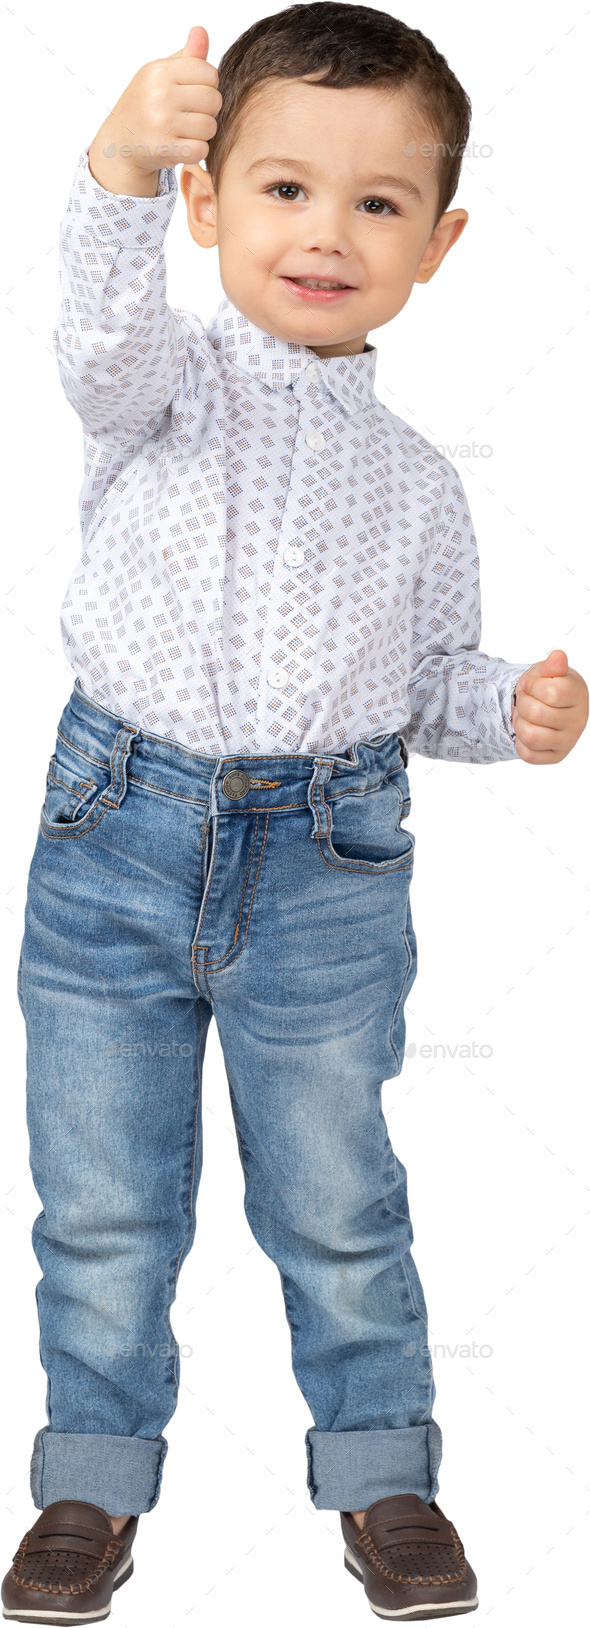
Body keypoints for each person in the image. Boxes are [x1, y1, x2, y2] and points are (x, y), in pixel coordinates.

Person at [3, 6, 587, 1622]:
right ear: (208, 205)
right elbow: (96, 329)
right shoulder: (160, 392)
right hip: (114, 836)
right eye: (280, 190)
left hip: (326, 865)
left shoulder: (417, 479)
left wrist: (514, 709)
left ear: (436, 241)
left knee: (335, 1193)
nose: (325, 233)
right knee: (106, 1196)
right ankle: (88, 1486)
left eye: (376, 204)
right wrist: (122, 160)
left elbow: (426, 684)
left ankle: (384, 1473)